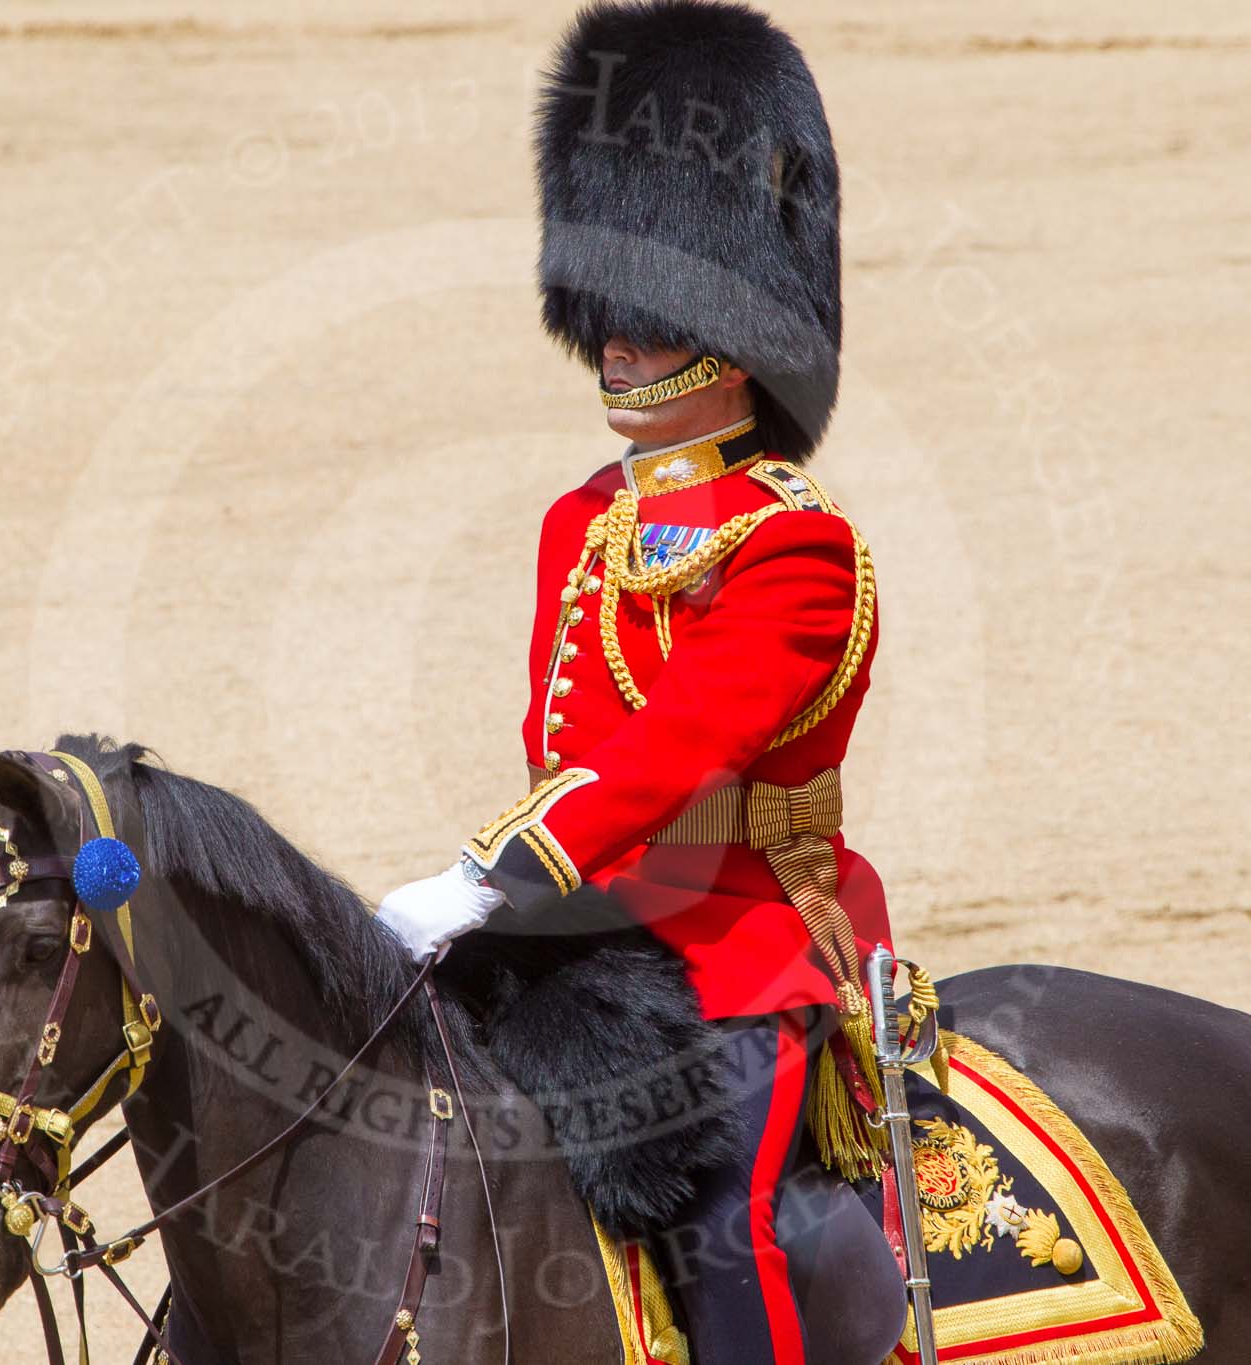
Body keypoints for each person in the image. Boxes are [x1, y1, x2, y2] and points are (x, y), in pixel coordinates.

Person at [379, 2, 906, 1361]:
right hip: (590, 926)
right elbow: (561, 740)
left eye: (650, 320)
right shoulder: (582, 520)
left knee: (732, 1204)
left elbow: (679, 743)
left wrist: (496, 868)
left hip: (750, 939)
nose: (616, 347)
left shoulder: (796, 540)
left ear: (734, 332)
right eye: (605, 318)